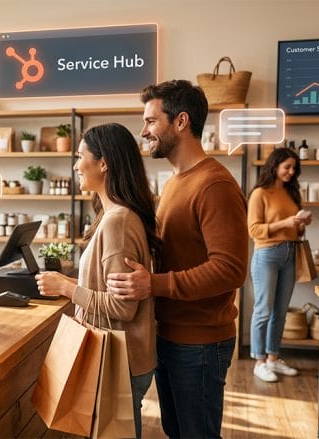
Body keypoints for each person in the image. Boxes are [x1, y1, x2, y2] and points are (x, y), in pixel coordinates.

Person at [106, 80, 248, 438]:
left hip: (200, 342)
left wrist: (154, 284)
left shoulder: (214, 185)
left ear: (181, 121)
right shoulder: (174, 183)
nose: (144, 131)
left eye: (152, 121)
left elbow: (230, 269)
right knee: (176, 431)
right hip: (170, 335)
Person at [35, 123, 160, 438]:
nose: (76, 165)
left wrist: (66, 287)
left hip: (121, 361)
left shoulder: (117, 223)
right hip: (124, 358)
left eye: (80, 156)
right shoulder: (113, 216)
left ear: (104, 163)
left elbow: (123, 307)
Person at [248, 148, 310, 383]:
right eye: (287, 167)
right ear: (274, 166)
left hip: (290, 252)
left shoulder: (291, 193)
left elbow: (295, 229)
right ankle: (259, 361)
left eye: (294, 168)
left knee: (280, 312)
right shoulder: (260, 194)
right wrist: (284, 222)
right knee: (263, 310)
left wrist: (301, 224)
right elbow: (253, 230)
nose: (291, 172)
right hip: (267, 254)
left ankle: (273, 359)